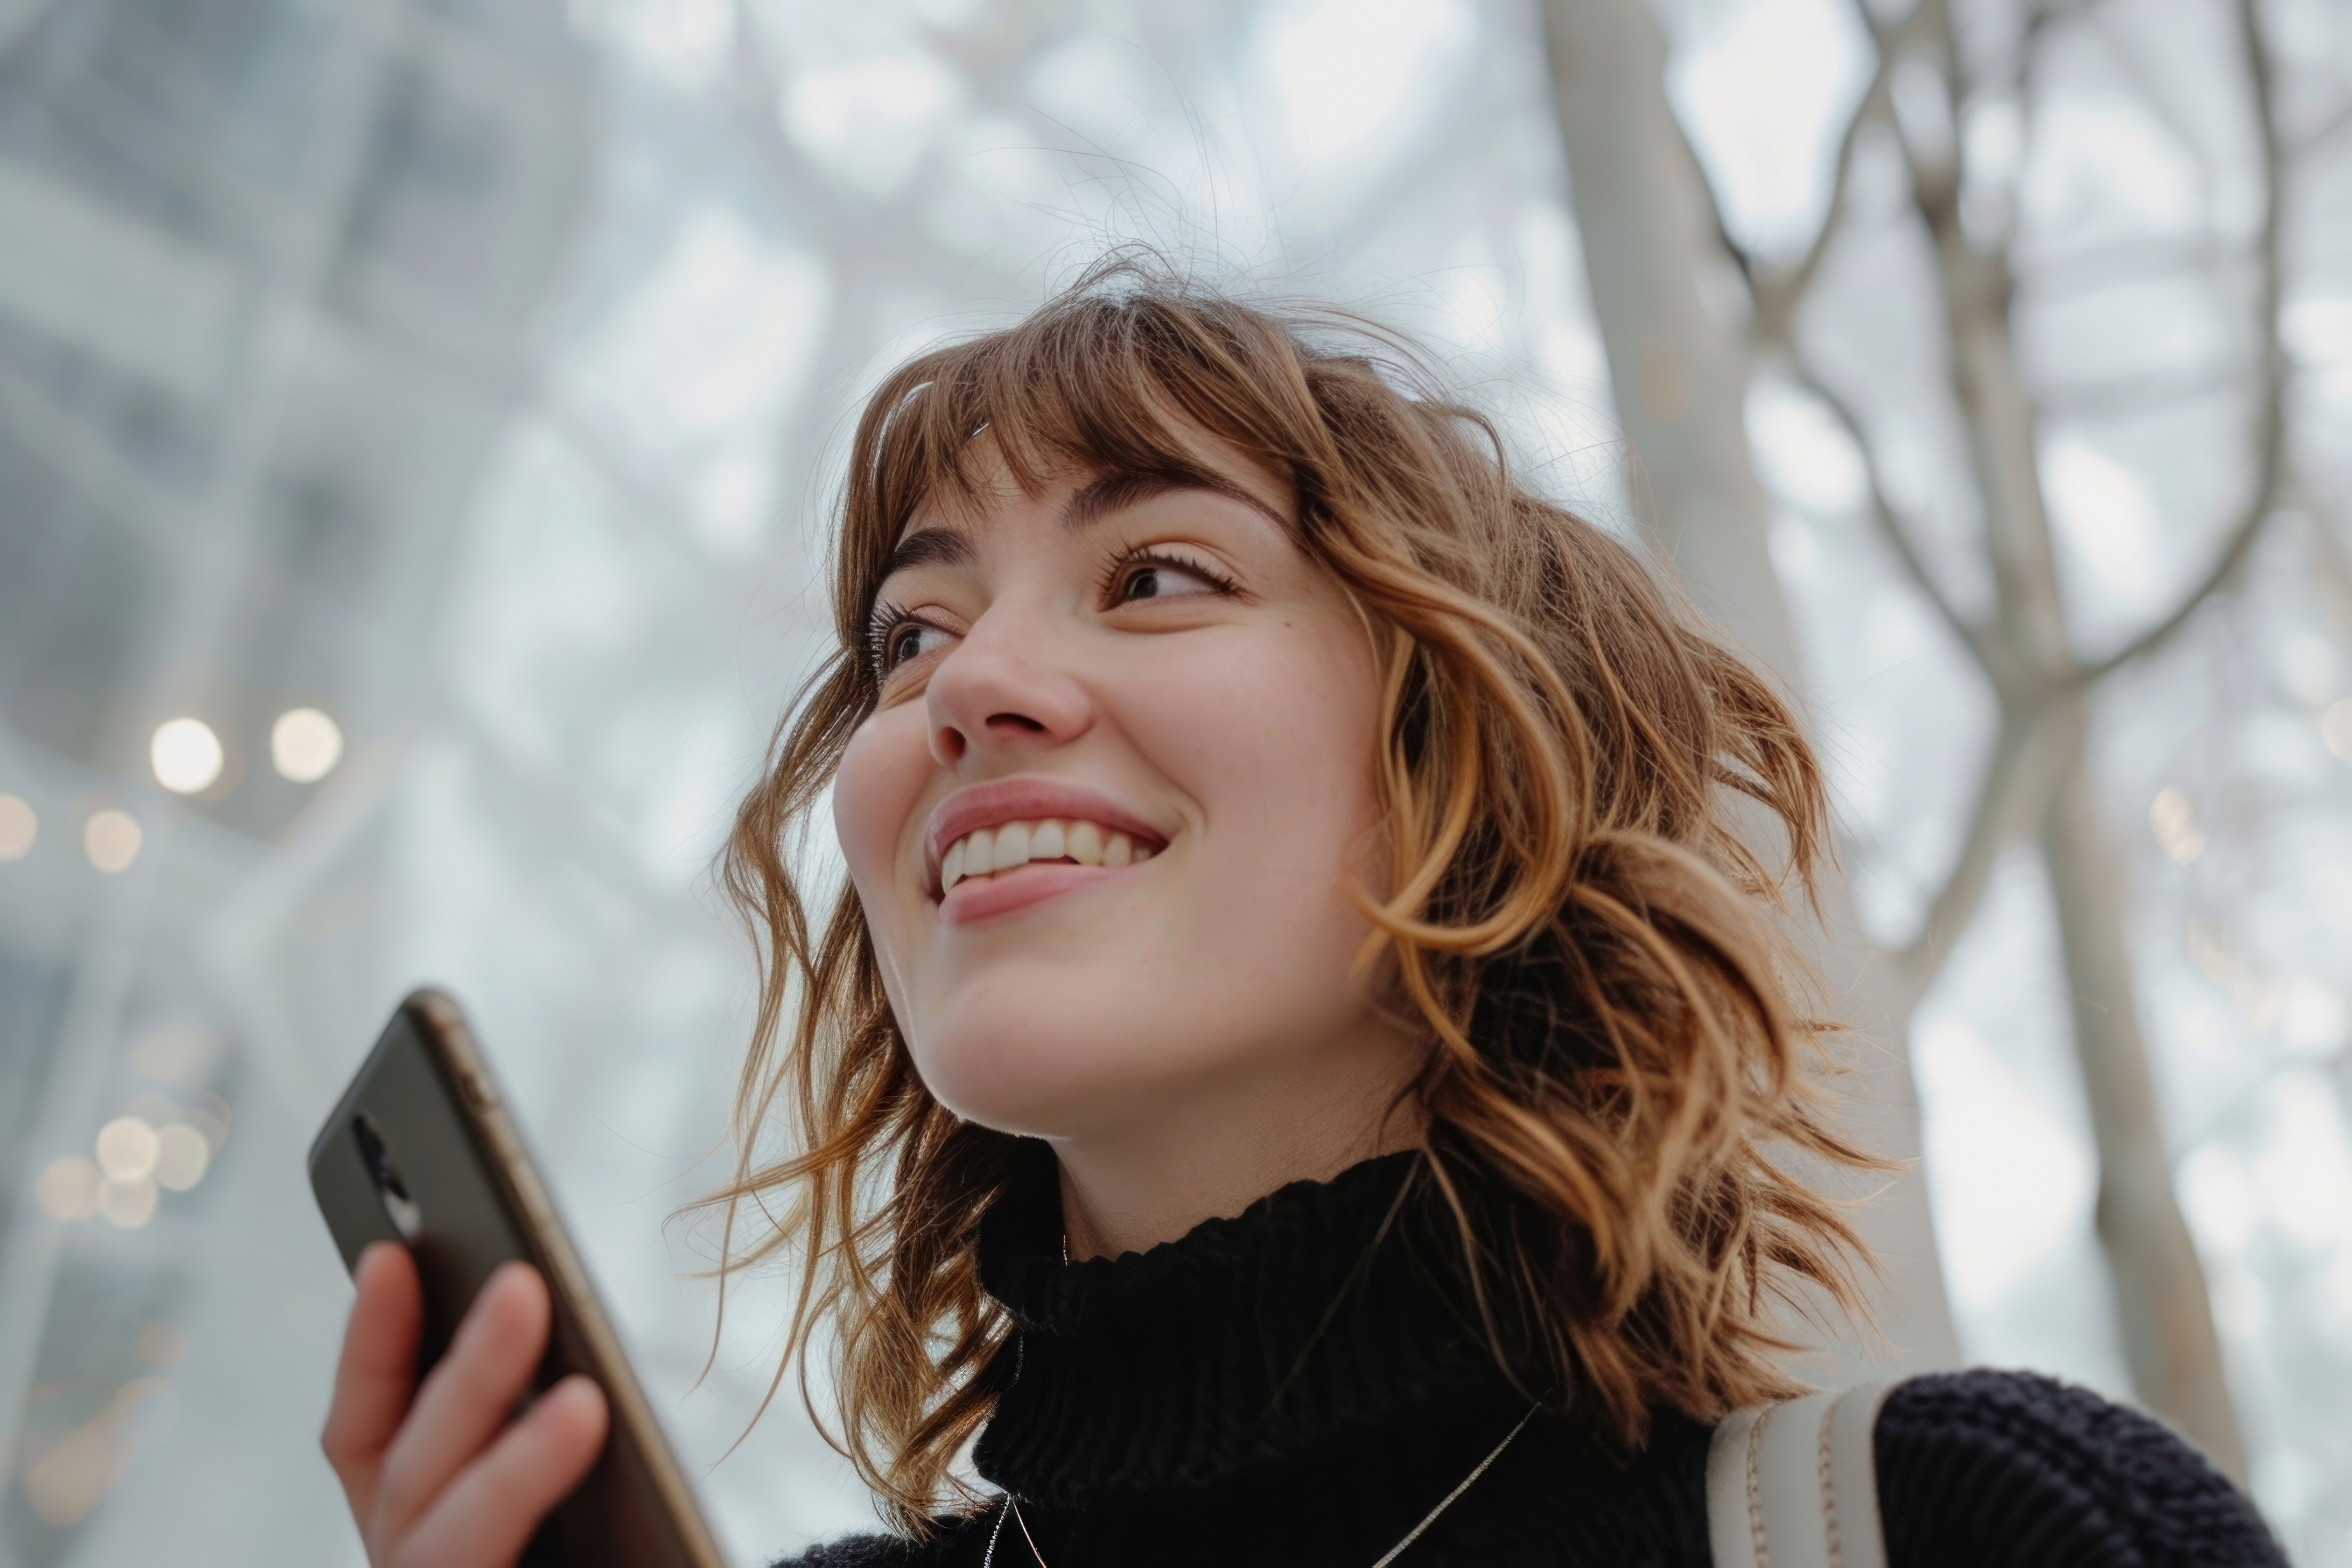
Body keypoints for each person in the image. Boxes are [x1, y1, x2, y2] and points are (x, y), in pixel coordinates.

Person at [321, 261, 2287, 1568]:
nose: (963, 688)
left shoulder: (1975, 1535)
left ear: (1483, 767)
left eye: (1159, 574)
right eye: (909, 629)